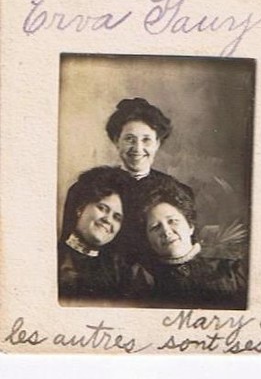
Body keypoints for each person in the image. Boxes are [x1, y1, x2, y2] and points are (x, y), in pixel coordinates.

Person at [102, 97, 194, 263]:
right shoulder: (90, 187)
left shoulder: (179, 191)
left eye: (146, 140)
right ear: (117, 141)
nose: (138, 149)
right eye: (129, 139)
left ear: (157, 143)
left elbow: (185, 253)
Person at [134, 178, 247, 309]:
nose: (166, 231)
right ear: (148, 237)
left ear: (190, 226)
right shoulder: (145, 280)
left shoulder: (232, 270)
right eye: (155, 227)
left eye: (172, 221)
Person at [58, 166, 133, 302]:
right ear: (81, 207)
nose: (108, 219)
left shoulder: (120, 274)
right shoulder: (53, 260)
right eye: (102, 208)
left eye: (117, 217)